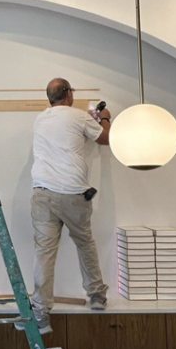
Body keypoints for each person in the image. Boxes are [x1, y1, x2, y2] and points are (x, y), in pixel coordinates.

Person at [28, 78, 111, 333]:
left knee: (44, 253)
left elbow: (65, 123)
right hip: (74, 194)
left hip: (42, 194)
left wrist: (85, 117)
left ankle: (41, 313)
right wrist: (104, 117)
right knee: (85, 244)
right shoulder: (79, 117)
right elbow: (105, 139)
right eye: (72, 91)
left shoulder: (40, 119)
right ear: (67, 93)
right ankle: (96, 296)